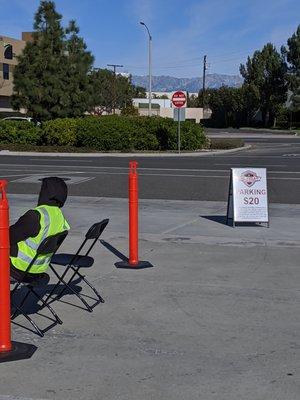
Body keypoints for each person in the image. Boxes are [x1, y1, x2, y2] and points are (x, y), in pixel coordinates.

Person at [10, 177, 70, 284]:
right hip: (39, 269)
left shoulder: (36, 215)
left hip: (18, 268)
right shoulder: (60, 216)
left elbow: (8, 237)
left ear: (46, 193)